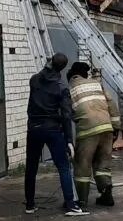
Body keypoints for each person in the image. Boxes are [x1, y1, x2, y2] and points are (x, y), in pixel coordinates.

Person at [24, 53, 89, 216]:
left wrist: (48, 65)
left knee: (31, 168)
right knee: (63, 167)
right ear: (63, 68)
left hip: (33, 128)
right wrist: (68, 140)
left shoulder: (34, 80)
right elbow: (66, 115)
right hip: (52, 129)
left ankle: (30, 205)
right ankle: (71, 206)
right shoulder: (61, 87)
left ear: (50, 62)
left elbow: (41, 78)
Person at [67, 62, 123, 208]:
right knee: (102, 163)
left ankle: (82, 201)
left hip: (88, 130)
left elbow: (67, 111)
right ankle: (106, 192)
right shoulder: (96, 84)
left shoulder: (70, 88)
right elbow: (111, 104)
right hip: (106, 127)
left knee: (82, 165)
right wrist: (116, 127)